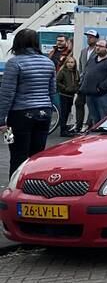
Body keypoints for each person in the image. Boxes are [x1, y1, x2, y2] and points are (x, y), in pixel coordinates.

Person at [0, 29, 57, 177]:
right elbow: (52, 91)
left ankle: (16, 186)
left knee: (18, 156)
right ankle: (34, 185)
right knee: (37, 157)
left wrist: (1, 119)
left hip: (20, 114)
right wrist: (48, 108)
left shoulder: (14, 63)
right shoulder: (48, 62)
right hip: (44, 113)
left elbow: (7, 94)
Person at [79, 39, 107, 125]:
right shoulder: (92, 59)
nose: (97, 48)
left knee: (104, 118)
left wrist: (100, 87)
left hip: (103, 95)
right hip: (90, 94)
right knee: (94, 118)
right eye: (97, 45)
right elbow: (86, 71)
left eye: (101, 46)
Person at [76, 29, 99, 133]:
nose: (89, 39)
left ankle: (88, 124)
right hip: (83, 82)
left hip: (93, 83)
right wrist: (81, 76)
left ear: (96, 39)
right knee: (79, 102)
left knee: (91, 104)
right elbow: (81, 65)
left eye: (91, 37)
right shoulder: (83, 51)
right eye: (88, 37)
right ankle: (78, 124)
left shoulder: (98, 51)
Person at [56, 56, 82, 137]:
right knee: (64, 112)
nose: (70, 64)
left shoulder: (76, 72)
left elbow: (77, 82)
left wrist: (76, 89)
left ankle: (65, 128)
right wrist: (64, 88)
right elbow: (57, 82)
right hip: (64, 95)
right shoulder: (63, 71)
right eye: (68, 62)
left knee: (68, 112)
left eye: (72, 62)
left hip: (71, 95)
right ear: (65, 63)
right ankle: (62, 130)